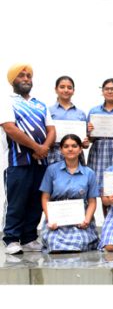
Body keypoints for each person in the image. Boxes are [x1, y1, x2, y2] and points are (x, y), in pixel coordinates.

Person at [2, 63, 56, 255]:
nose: (26, 78)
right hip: (17, 162)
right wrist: (37, 148)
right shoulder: (7, 101)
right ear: (12, 80)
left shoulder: (40, 104)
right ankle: (11, 239)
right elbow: (10, 128)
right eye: (21, 75)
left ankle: (29, 238)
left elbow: (51, 130)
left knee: (35, 200)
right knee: (17, 201)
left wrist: (45, 148)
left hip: (40, 161)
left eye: (28, 76)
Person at [40, 134, 99, 253]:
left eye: (74, 146)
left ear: (80, 149)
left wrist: (86, 220)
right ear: (61, 150)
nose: (70, 149)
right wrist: (50, 219)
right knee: (54, 243)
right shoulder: (52, 170)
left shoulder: (89, 173)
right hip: (57, 219)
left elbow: (92, 201)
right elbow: (45, 198)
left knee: (79, 242)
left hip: (80, 220)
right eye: (66, 146)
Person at [47, 76, 88, 164]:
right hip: (54, 154)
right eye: (62, 87)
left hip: (75, 156)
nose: (66, 90)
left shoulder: (81, 114)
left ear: (73, 91)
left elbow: (85, 142)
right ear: (56, 89)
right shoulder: (48, 111)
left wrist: (85, 143)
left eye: (69, 88)